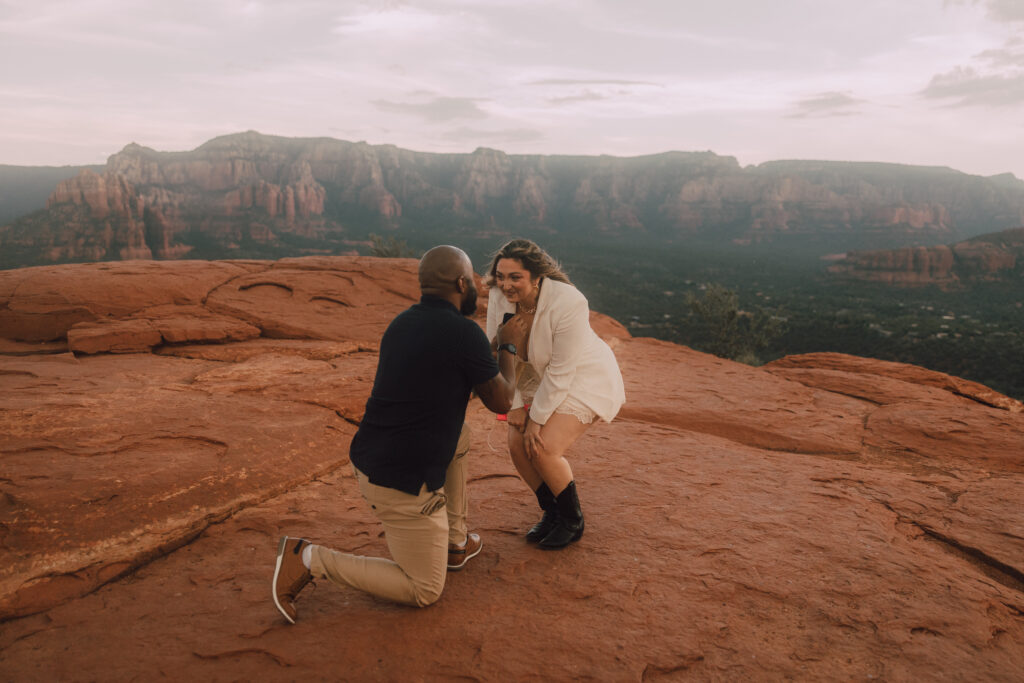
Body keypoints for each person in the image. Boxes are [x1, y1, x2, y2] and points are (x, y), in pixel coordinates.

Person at [272, 245, 525, 623]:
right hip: (403, 483)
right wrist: (508, 344)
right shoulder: (461, 332)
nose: (476, 287)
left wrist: (487, 354)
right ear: (460, 283)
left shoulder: (402, 323)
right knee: (423, 588)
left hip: (374, 458)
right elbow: (503, 400)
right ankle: (307, 559)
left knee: (462, 436)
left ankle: (455, 542)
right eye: (472, 279)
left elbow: (453, 376)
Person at [485, 239, 625, 549]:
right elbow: (498, 352)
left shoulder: (568, 302)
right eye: (501, 275)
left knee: (543, 446)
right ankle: (552, 512)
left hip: (581, 375)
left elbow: (562, 371)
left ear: (537, 278)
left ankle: (573, 521)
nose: (505, 285)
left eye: (515, 277)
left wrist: (536, 420)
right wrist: (516, 406)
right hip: (531, 375)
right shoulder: (497, 296)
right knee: (515, 443)